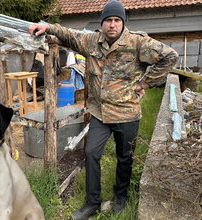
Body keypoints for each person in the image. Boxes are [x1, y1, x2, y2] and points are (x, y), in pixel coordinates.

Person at [29, 0, 178, 219]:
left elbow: (170, 56)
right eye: (108, 20)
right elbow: (69, 34)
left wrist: (145, 83)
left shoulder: (138, 42)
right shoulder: (92, 41)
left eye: (117, 20)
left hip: (127, 113)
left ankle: (120, 197)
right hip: (99, 112)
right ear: (102, 22)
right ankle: (92, 202)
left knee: (124, 157)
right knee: (91, 153)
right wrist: (47, 26)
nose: (112, 24)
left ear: (123, 22)